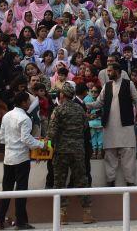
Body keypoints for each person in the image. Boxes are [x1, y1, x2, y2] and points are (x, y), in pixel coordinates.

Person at [0, 91, 46, 230]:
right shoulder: (25, 118)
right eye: (28, 101)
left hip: (8, 158)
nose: (30, 103)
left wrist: (12, 144)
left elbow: (2, 138)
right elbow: (26, 139)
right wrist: (42, 145)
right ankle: (20, 222)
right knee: (21, 190)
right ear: (23, 103)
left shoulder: (6, 116)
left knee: (6, 189)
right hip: (21, 159)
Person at [85, 63, 137, 186]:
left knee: (128, 156)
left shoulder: (129, 84)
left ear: (117, 70)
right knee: (109, 156)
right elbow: (98, 103)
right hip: (109, 128)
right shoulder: (107, 86)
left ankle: (130, 183)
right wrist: (84, 104)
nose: (108, 73)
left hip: (126, 127)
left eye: (110, 71)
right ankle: (110, 183)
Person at [47, 83, 94, 225]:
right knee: (82, 180)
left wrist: (48, 147)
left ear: (62, 95)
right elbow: (85, 126)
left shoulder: (58, 110)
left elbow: (51, 133)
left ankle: (63, 215)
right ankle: (87, 214)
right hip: (78, 150)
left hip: (61, 151)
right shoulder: (80, 109)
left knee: (59, 182)